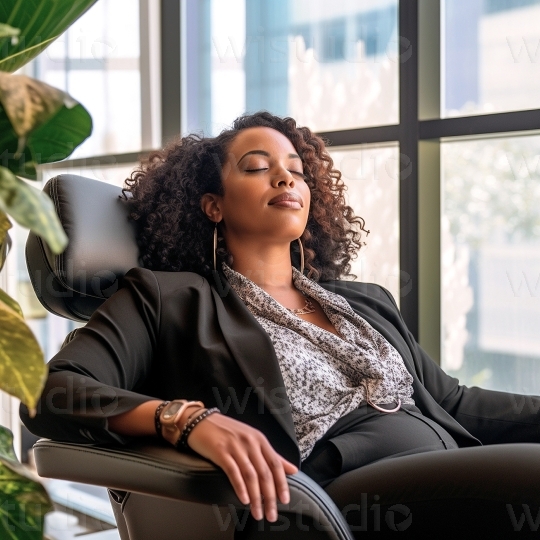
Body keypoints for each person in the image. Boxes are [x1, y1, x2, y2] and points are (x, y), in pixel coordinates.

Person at [21, 111, 540, 538]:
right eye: (256, 167)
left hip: (446, 466)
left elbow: (454, 404)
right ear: (212, 206)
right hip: (333, 496)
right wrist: (183, 419)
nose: (286, 177)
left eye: (295, 167)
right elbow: (47, 393)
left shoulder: (365, 301)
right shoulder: (169, 297)